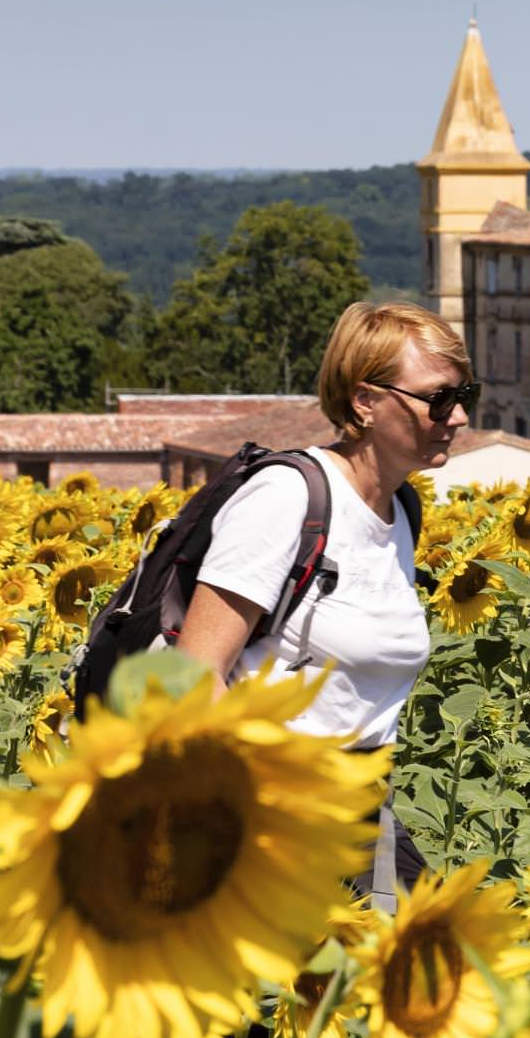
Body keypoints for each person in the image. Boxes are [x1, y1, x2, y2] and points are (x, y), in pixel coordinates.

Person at [175, 301, 477, 914]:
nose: (460, 416)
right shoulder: (288, 498)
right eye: (438, 399)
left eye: (465, 394)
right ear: (365, 402)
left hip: (360, 806)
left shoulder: (401, 512)